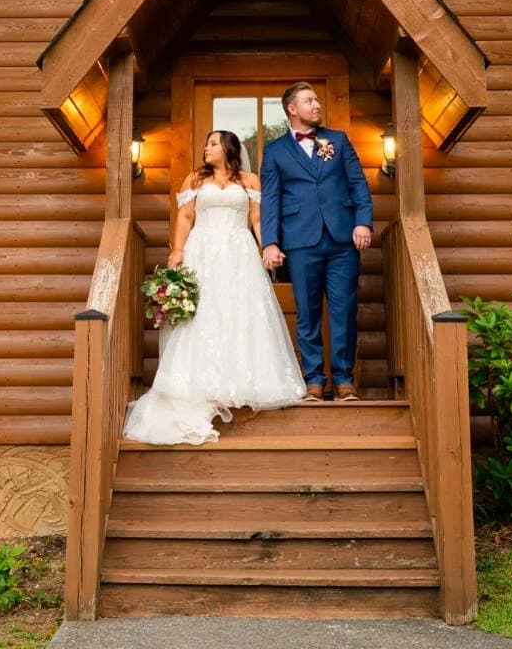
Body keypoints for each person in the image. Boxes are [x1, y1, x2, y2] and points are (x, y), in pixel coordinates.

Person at [122, 129, 305, 445]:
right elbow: (184, 217)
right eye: (206, 144)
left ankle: (243, 383)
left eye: (213, 144)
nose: (206, 149)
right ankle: (200, 384)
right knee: (203, 315)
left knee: (241, 313)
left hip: (239, 252)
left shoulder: (249, 181)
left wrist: (266, 248)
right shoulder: (195, 179)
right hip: (203, 251)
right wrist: (177, 250)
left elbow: (257, 219)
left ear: (229, 148)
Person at [260, 81, 373, 402]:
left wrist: (363, 222)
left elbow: (358, 185)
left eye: (317, 100)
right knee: (308, 314)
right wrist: (270, 242)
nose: (317, 105)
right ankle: (313, 380)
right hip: (300, 241)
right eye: (309, 101)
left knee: (344, 310)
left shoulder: (338, 140)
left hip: (342, 240)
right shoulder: (276, 151)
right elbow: (271, 199)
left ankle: (343, 380)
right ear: (292, 109)